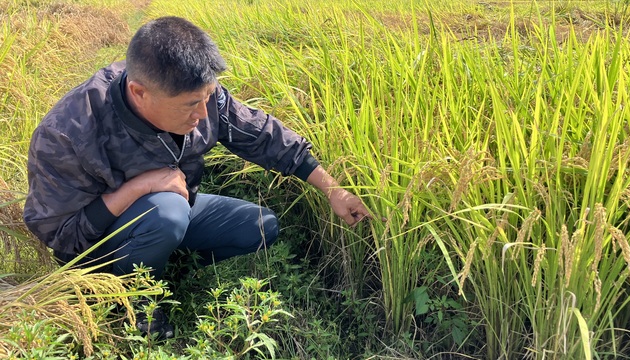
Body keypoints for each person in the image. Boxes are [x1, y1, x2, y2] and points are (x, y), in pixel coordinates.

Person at [23, 16, 371, 339]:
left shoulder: (201, 95)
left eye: (207, 98)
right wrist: (138, 188)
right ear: (139, 92)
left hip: (172, 212)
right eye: (191, 104)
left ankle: (160, 264)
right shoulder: (68, 133)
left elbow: (262, 136)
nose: (203, 114)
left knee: (261, 225)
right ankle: (134, 302)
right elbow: (61, 236)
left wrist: (332, 189)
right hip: (103, 244)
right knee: (165, 213)